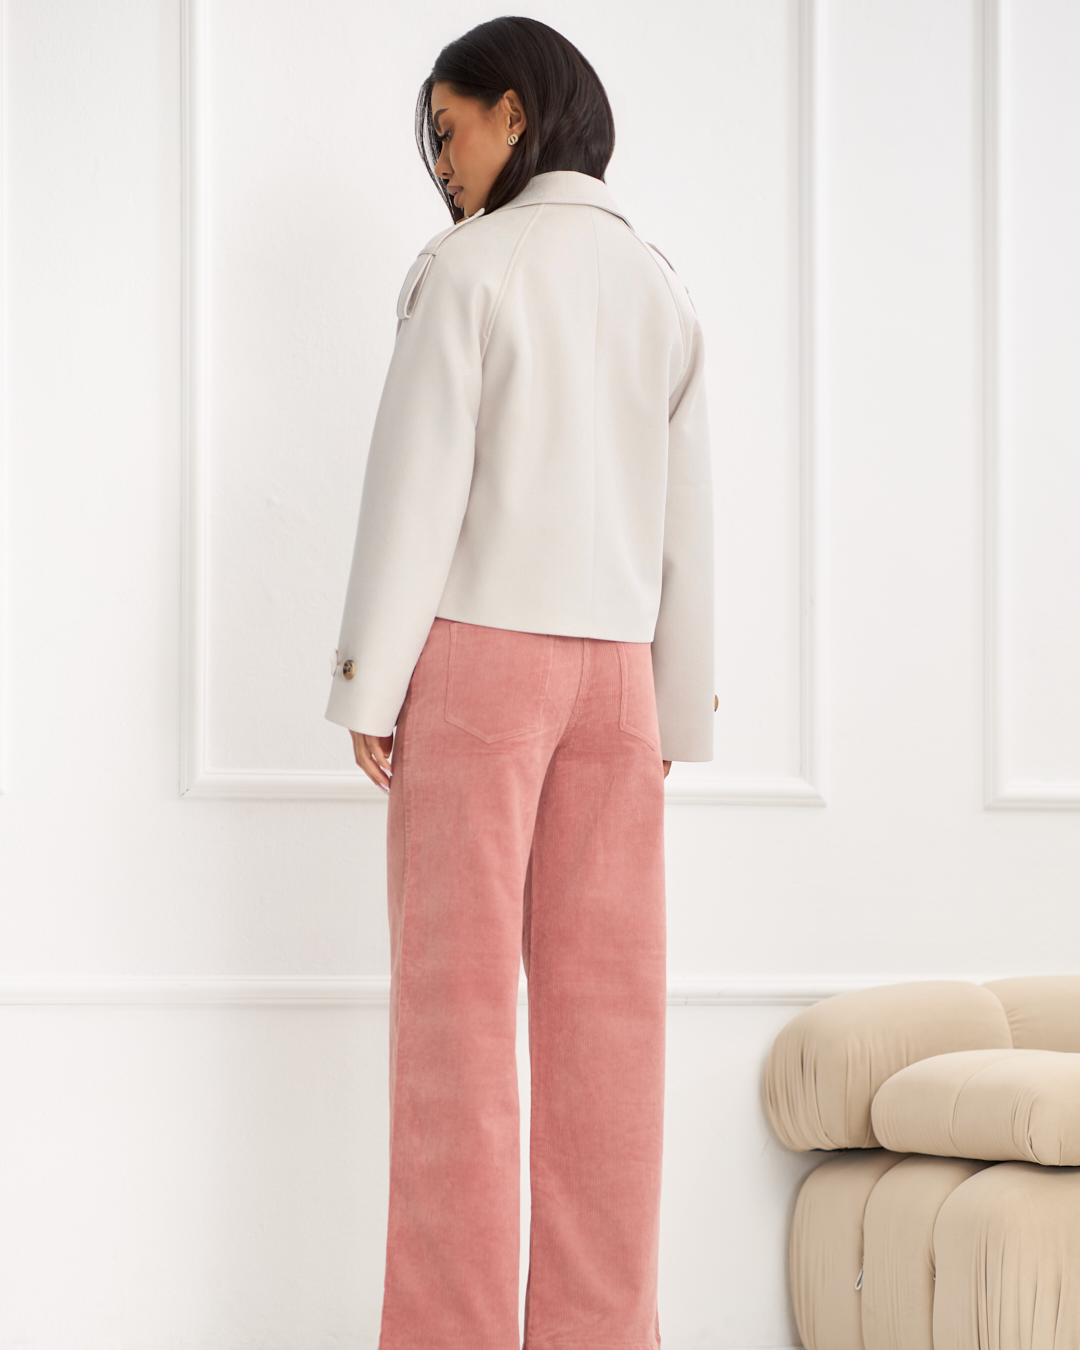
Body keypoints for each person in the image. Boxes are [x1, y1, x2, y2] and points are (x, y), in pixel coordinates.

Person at [325, 16, 715, 1350]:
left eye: (449, 131)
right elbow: (687, 518)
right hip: (620, 687)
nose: (441, 163)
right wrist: (675, 705)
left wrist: (370, 683)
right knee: (613, 1036)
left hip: (479, 670)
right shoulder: (660, 286)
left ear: (514, 111)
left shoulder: (469, 267)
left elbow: (417, 485)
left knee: (456, 1032)